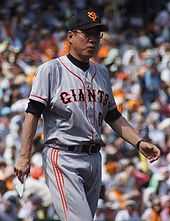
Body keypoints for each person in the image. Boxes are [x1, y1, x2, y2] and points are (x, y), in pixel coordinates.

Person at [14, 8, 160, 221]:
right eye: (87, 33)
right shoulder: (51, 70)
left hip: (94, 159)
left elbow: (113, 116)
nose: (93, 39)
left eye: (97, 34)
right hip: (63, 156)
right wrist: (24, 156)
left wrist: (138, 142)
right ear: (70, 36)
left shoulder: (101, 72)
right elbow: (32, 114)